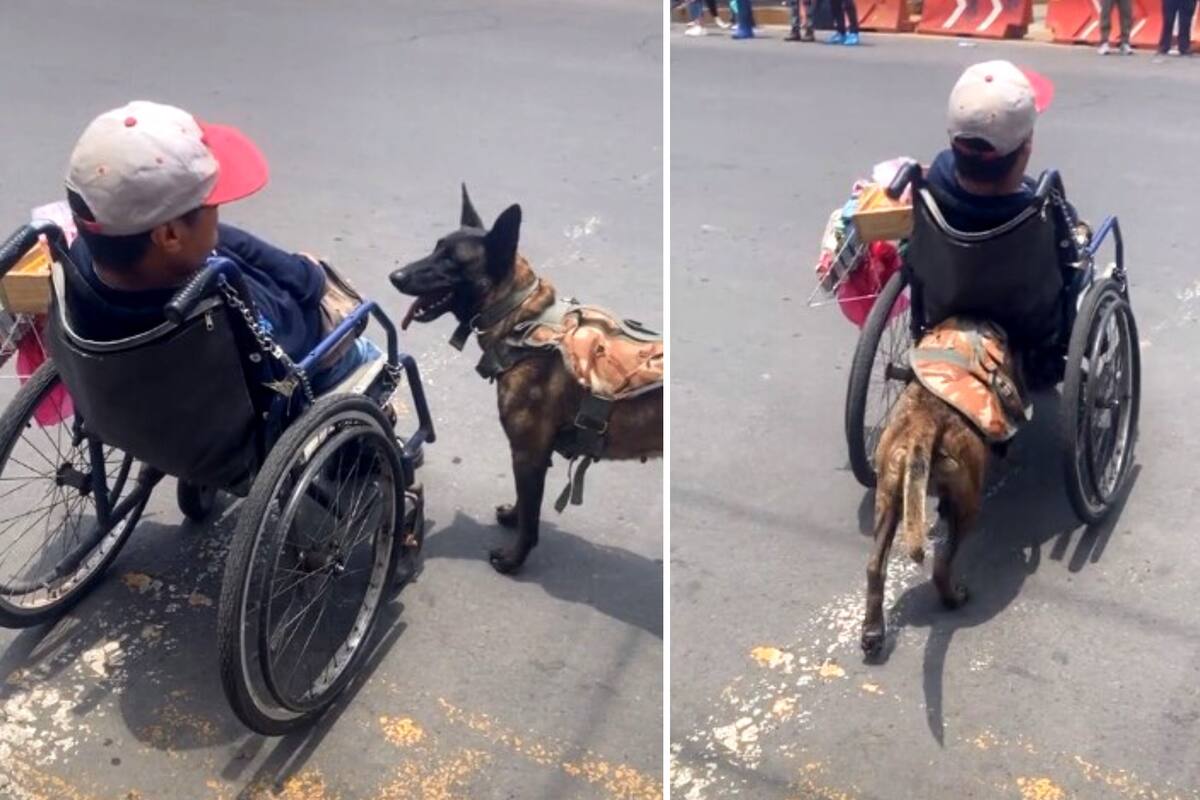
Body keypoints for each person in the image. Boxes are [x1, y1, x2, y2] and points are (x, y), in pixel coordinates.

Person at [62, 100, 378, 394]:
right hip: (265, 379)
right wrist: (309, 278)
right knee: (371, 354)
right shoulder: (218, 305)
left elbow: (227, 240)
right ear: (170, 235)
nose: (218, 210)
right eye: (211, 203)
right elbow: (289, 345)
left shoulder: (81, 262)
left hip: (136, 401)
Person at [925, 60, 1084, 380]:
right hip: (1029, 326)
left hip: (945, 299)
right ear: (1026, 148)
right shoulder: (1037, 209)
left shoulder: (934, 181)